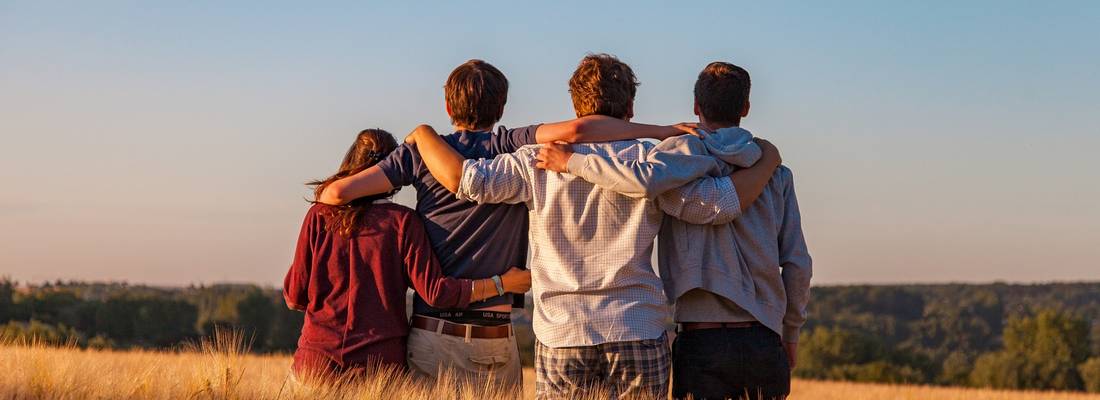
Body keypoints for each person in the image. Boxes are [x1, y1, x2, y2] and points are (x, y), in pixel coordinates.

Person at [406, 54, 781, 399]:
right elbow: (716, 206)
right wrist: (767, 161)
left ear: (575, 106)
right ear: (631, 107)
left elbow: (468, 181)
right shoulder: (651, 162)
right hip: (636, 328)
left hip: (562, 333)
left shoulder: (536, 160)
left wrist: (423, 134)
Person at [315, 59, 700, 389]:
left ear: (447, 105)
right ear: (501, 106)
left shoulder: (422, 154)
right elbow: (579, 131)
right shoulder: (512, 145)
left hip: (437, 331)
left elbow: (335, 196)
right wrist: (661, 131)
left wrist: (418, 139)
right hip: (499, 335)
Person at [536, 62, 812, 400]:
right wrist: (791, 332)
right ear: (745, 108)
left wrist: (573, 162)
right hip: (764, 338)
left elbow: (642, 180)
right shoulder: (777, 174)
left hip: (700, 339)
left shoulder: (672, 163)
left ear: (696, 106)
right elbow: (797, 263)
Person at [282, 128, 532, 381]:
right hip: (379, 369)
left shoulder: (319, 216)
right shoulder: (403, 222)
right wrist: (502, 283)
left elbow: (295, 297)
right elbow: (437, 293)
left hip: (315, 365)